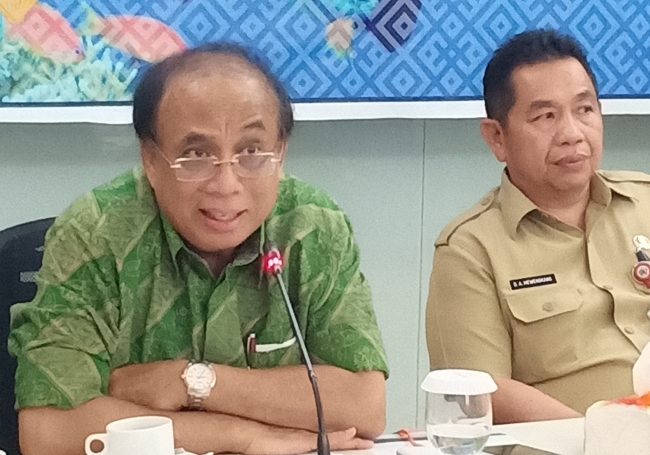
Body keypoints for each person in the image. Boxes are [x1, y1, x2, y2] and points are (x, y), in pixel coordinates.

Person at [9, 42, 388, 455]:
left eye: (250, 151)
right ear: (151, 160)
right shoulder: (94, 234)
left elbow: (363, 407)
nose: (226, 184)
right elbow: (48, 431)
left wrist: (193, 382)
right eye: (196, 155)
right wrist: (242, 437)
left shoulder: (312, 227)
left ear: (280, 153)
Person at [426, 29, 650, 423]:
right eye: (546, 116)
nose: (572, 134)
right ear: (497, 138)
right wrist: (603, 438)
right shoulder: (471, 249)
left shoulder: (645, 201)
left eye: (585, 110)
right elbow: (481, 391)